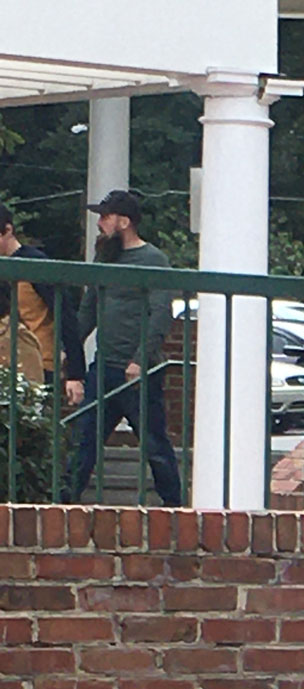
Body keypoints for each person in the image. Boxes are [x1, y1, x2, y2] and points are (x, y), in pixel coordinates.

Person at [66, 190, 182, 506]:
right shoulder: (104, 258)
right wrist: (70, 351)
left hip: (137, 373)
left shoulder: (153, 260)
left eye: (106, 217)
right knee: (84, 441)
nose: (100, 223)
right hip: (104, 367)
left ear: (124, 222)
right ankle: (61, 504)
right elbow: (89, 307)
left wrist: (140, 359)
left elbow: (160, 312)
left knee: (154, 445)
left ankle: (175, 508)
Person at [0, 204, 86, 403]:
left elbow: (66, 315)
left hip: (39, 363)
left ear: (8, 231)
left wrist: (75, 373)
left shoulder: (36, 265)